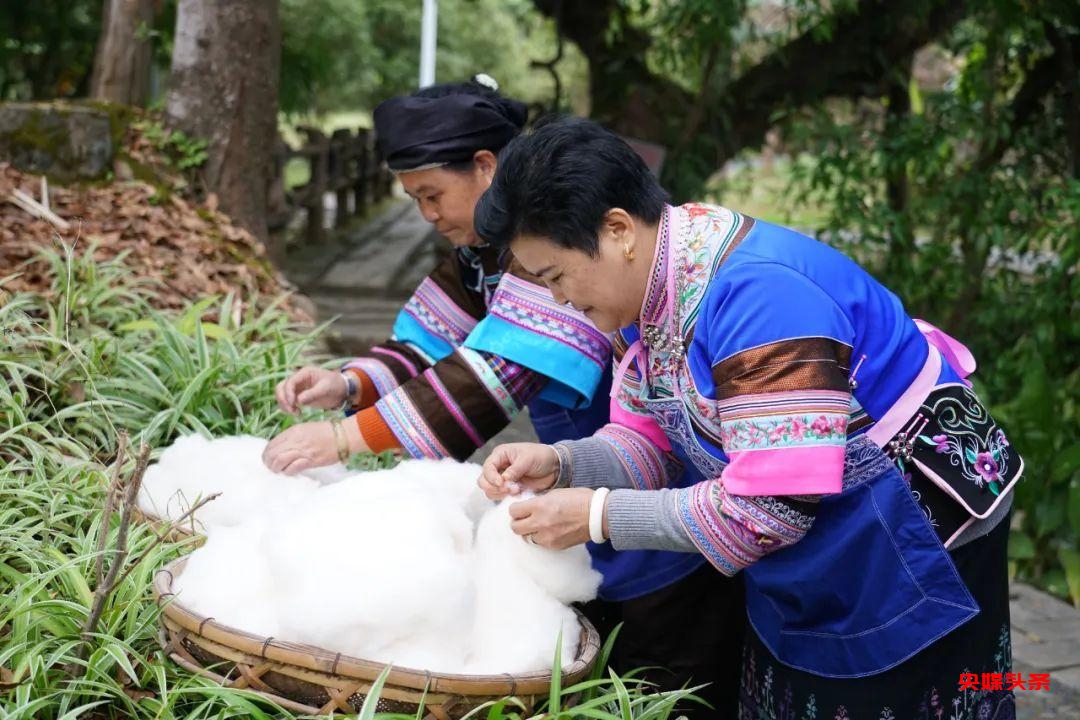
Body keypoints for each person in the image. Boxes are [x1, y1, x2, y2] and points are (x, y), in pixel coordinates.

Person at [474, 116, 1022, 720]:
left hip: (908, 536)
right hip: (818, 538)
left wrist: (597, 516)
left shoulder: (760, 297)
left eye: (555, 276)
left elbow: (769, 511)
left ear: (617, 230)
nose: (558, 300)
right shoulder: (649, 287)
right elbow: (651, 441)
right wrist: (563, 463)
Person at [261, 80, 746, 712]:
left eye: (433, 195)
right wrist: (350, 384)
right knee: (604, 654)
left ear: (485, 168)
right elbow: (432, 343)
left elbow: (493, 376)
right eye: (415, 201)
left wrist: (343, 437)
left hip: (663, 499)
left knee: (669, 672)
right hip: (583, 484)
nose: (427, 215)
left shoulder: (562, 248)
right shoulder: (480, 256)